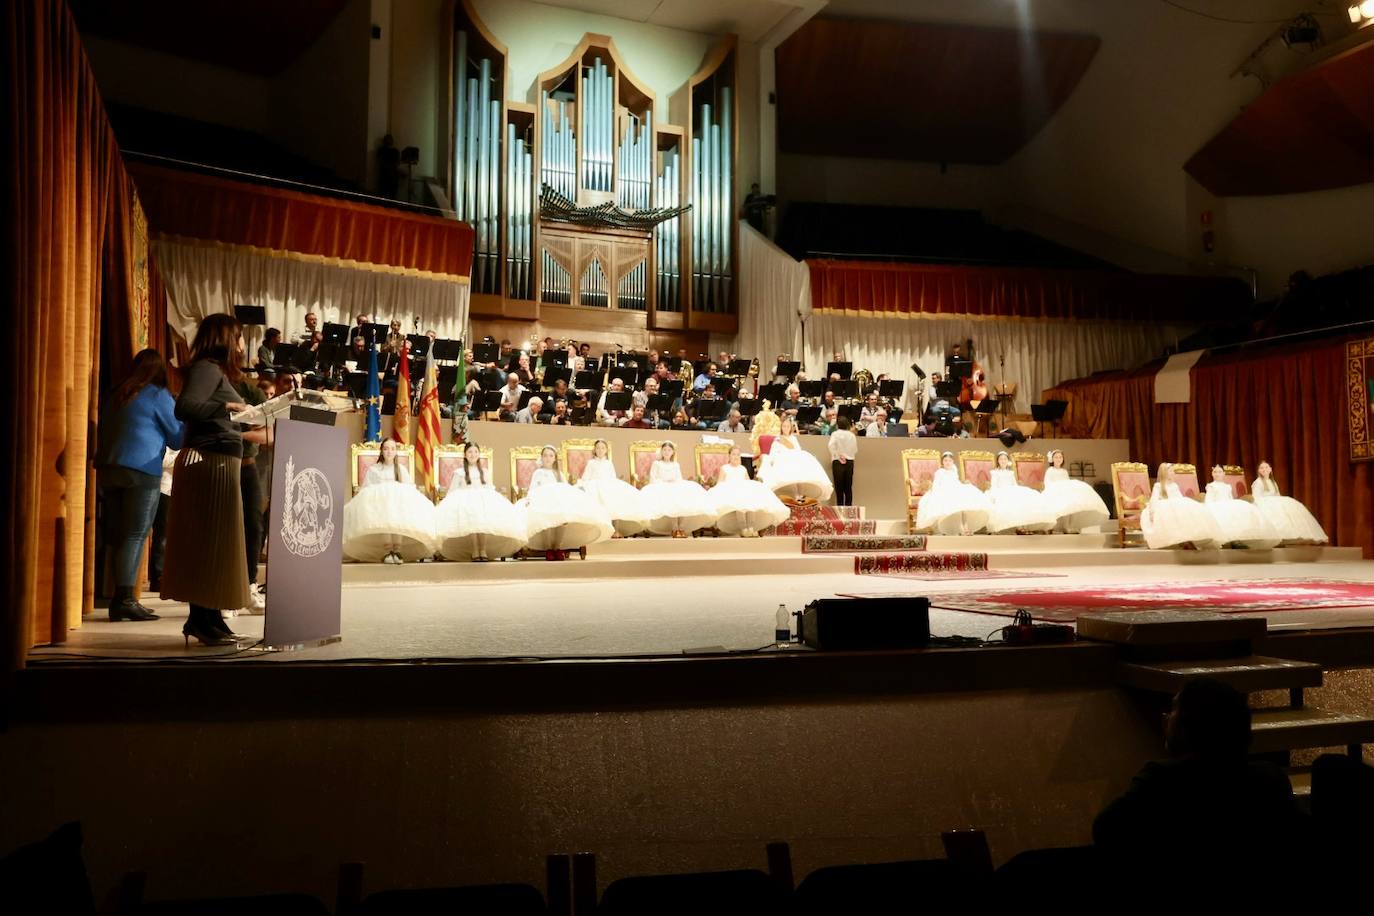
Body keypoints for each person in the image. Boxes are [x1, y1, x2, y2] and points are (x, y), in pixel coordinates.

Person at [1093, 679, 1306, 894]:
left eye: (1174, 709)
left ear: (1190, 725)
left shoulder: (1162, 780)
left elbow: (1106, 828)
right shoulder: (1270, 779)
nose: (1166, 718)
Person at [160, 314, 255, 646]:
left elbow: (217, 415)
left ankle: (209, 618)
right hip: (208, 463)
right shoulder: (206, 368)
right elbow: (185, 408)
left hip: (220, 463)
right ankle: (201, 620)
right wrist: (228, 407)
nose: (243, 345)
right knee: (206, 545)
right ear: (227, 339)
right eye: (240, 338)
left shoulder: (215, 372)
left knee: (215, 545)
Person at [98, 349, 185, 622]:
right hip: (141, 468)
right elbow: (177, 439)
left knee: (118, 535)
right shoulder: (158, 394)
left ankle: (118, 597)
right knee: (134, 535)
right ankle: (124, 599)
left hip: (109, 467)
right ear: (160, 371)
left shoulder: (117, 392)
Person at [343, 439, 438, 564]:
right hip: (379, 506)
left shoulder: (401, 469)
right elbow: (366, 489)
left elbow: (409, 487)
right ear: (382, 451)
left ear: (396, 452)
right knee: (386, 514)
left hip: (398, 505)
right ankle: (388, 550)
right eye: (386, 448)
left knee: (397, 514)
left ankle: (397, 550)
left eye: (392, 449)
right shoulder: (374, 469)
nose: (389, 451)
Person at [435, 443, 527, 561]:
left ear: (478, 454)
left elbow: (489, 487)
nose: (473, 454)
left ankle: (482, 549)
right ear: (465, 455)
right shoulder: (459, 472)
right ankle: (475, 550)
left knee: (483, 522)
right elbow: (453, 490)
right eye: (470, 452)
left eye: (475, 452)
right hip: (466, 500)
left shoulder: (484, 471)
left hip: (482, 499)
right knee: (473, 522)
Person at [519, 445, 613, 559]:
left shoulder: (559, 474)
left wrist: (576, 490)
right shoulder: (538, 472)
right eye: (545, 456)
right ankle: (549, 548)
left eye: (551, 456)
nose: (548, 458)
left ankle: (557, 547)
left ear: (555, 458)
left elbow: (565, 488)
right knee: (548, 522)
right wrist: (530, 499)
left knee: (562, 521)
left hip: (557, 501)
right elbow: (533, 487)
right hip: (544, 500)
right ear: (541, 458)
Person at [639, 441, 718, 537]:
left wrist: (674, 482)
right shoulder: (657, 464)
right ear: (661, 451)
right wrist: (664, 483)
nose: (667, 452)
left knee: (683, 495)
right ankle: (674, 527)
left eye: (669, 450)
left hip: (674, 485)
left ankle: (681, 527)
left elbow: (679, 478)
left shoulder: (675, 464)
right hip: (661, 486)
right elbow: (653, 479)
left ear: (673, 452)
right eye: (664, 450)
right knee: (673, 498)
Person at [708, 445, 789, 537]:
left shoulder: (742, 468)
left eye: (738, 455)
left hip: (742, 490)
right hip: (731, 492)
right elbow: (720, 483)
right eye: (733, 454)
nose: (736, 457)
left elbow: (747, 482)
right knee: (739, 503)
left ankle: (751, 527)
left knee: (750, 502)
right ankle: (743, 528)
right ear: (729, 456)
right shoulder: (725, 468)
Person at [577, 439, 651, 538]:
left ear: (606, 450)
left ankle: (615, 529)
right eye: (598, 448)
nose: (600, 450)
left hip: (608, 484)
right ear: (595, 450)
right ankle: (599, 531)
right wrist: (582, 485)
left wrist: (614, 485)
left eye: (602, 448)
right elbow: (586, 477)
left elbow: (612, 477)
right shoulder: (591, 463)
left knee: (615, 500)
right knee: (598, 500)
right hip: (594, 485)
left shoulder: (609, 463)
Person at [1141, 463, 1222, 550]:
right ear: (1164, 473)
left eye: (1173, 471)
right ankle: (1181, 541)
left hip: (1175, 507)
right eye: (1171, 471)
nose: (1173, 473)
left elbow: (1179, 498)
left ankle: (1187, 539)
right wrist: (1152, 512)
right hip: (1163, 507)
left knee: (1186, 510)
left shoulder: (1174, 485)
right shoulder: (1159, 486)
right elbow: (1154, 500)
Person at [757, 415, 834, 505]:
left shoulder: (793, 438)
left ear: (790, 428)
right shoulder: (778, 439)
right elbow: (773, 452)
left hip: (793, 457)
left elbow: (798, 450)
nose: (786, 428)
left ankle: (800, 494)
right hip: (782, 459)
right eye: (784, 426)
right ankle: (793, 495)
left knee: (799, 469)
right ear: (781, 428)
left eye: (788, 426)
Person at [1251, 460, 1328, 544]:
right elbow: (1256, 497)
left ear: (1270, 469)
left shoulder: (1273, 482)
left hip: (1275, 503)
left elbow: (1277, 495)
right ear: (1259, 470)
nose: (1264, 469)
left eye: (1266, 467)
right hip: (1265, 504)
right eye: (1261, 468)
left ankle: (1283, 537)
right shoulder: (1258, 482)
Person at [914, 451, 990, 535]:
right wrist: (941, 493)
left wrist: (963, 484)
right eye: (945, 460)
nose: (948, 462)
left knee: (964, 502)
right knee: (952, 502)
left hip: (954, 489)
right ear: (942, 462)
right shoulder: (939, 472)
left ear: (952, 462)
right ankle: (958, 528)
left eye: (949, 461)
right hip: (943, 491)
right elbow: (936, 485)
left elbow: (956, 483)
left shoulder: (954, 471)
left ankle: (966, 527)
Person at [1204, 465, 1280, 549]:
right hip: (1217, 506)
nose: (1217, 474)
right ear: (1212, 474)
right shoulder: (1211, 486)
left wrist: (1232, 506)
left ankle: (1238, 539)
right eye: (1215, 472)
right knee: (1225, 515)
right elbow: (1209, 500)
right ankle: (1229, 539)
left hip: (1228, 504)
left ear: (1224, 474)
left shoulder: (1227, 486)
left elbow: (1230, 498)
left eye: (1219, 472)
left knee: (1240, 512)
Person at [985, 451, 1056, 534]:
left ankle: (1023, 526)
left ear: (1008, 461)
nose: (1003, 461)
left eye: (1005, 459)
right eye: (1001, 459)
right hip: (1000, 491)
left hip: (1011, 490)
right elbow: (994, 486)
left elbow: (1014, 484)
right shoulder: (995, 472)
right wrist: (995, 495)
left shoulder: (1010, 473)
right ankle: (1019, 527)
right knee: (1008, 500)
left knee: (1023, 498)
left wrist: (1016, 490)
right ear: (998, 461)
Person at [1041, 449, 1110, 533]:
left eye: (1060, 457)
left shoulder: (1064, 471)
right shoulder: (1050, 470)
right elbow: (1048, 483)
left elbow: (1067, 482)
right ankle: (1052, 526)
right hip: (1054, 490)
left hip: (1063, 491)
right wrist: (1057, 488)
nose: (1058, 459)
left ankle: (1067, 526)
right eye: (1056, 457)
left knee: (1070, 501)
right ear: (1052, 459)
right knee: (1060, 501)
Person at [827, 415, 858, 507]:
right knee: (848, 488)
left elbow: (831, 446)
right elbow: (855, 449)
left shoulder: (835, 434)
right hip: (849, 462)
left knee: (839, 488)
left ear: (837, 425)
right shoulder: (852, 435)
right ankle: (849, 510)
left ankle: (839, 510)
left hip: (837, 461)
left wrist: (838, 455)